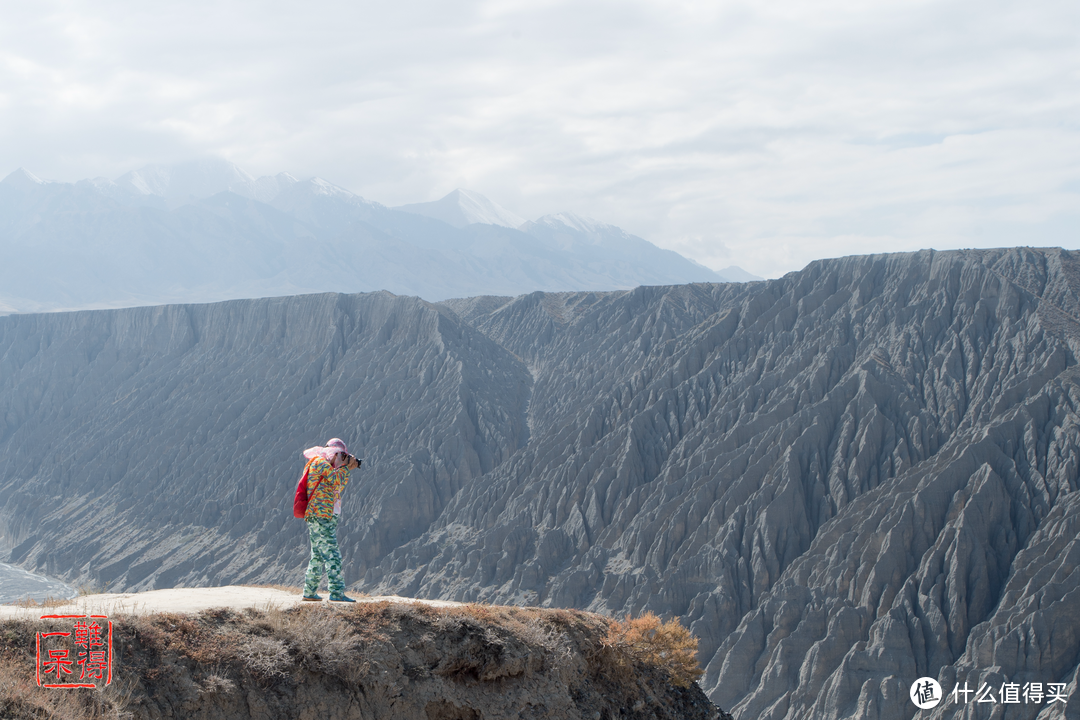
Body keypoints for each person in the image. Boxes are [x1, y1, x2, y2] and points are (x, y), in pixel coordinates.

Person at [300, 437, 361, 602]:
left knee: (318, 555)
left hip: (321, 515)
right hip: (320, 516)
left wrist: (344, 468)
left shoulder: (326, 467)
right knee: (332, 554)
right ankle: (337, 593)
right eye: (340, 455)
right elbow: (336, 480)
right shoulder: (319, 462)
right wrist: (347, 468)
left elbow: (335, 486)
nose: (340, 458)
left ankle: (309, 591)